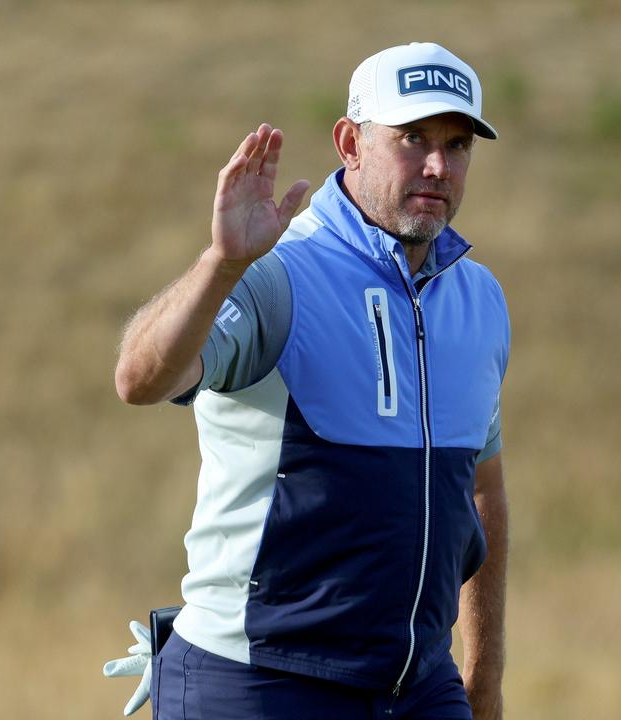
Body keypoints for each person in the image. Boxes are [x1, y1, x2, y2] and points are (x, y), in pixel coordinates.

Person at [111, 42, 509, 720]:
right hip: (257, 681)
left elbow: (482, 491)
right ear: (350, 142)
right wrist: (220, 264)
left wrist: (483, 678)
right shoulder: (277, 276)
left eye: (457, 143)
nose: (438, 166)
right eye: (412, 138)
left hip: (418, 688)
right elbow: (141, 379)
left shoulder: (479, 298)